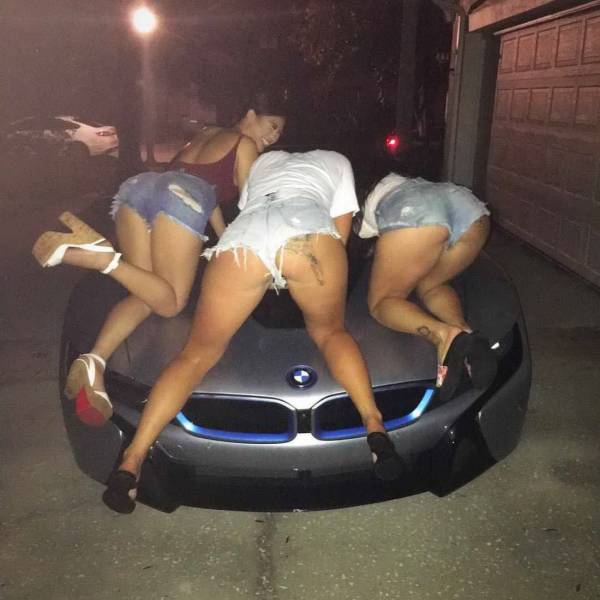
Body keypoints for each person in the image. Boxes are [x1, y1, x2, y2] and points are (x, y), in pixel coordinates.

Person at [101, 149, 406, 513]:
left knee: (196, 355)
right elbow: (339, 237)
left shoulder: (265, 161)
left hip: (245, 239)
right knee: (330, 334)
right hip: (306, 234)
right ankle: (375, 428)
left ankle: (132, 460)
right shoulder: (337, 160)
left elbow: (248, 211)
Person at [32, 93, 286, 426]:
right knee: (171, 304)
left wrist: (223, 236)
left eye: (279, 131)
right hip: (180, 199)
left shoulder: (204, 135)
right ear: (250, 114)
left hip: (139, 190)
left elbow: (201, 187)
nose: (274, 135)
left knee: (147, 293)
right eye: (272, 125)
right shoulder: (244, 144)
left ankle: (94, 361)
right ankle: (103, 259)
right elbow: (250, 205)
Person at [359, 172, 497, 403]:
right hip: (471, 210)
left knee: (383, 302)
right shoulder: (396, 180)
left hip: (417, 212)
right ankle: (465, 337)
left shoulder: (355, 202)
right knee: (432, 284)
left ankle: (443, 335)